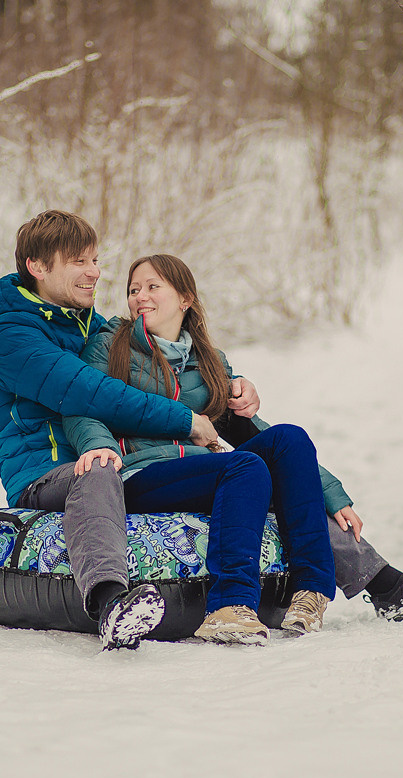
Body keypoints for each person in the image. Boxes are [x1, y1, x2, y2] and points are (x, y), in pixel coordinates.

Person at [0, 209, 403, 651]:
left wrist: (329, 490)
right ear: (38, 268)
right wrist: (173, 426)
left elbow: (244, 425)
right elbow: (88, 399)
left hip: (177, 464)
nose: (97, 274)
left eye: (96, 260)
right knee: (170, 470)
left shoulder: (102, 327)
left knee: (283, 447)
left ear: (186, 299)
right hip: (62, 470)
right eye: (81, 263)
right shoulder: (31, 336)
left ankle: (368, 585)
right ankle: (115, 600)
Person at [64, 254, 340, 644]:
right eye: (133, 289)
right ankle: (229, 605)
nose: (140, 296)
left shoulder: (209, 360)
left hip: (197, 472)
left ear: (185, 299)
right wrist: (98, 446)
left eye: (152, 287)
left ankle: (310, 591)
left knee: (289, 438)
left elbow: (254, 430)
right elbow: (83, 406)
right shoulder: (110, 346)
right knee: (244, 467)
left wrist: (332, 493)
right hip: (141, 472)